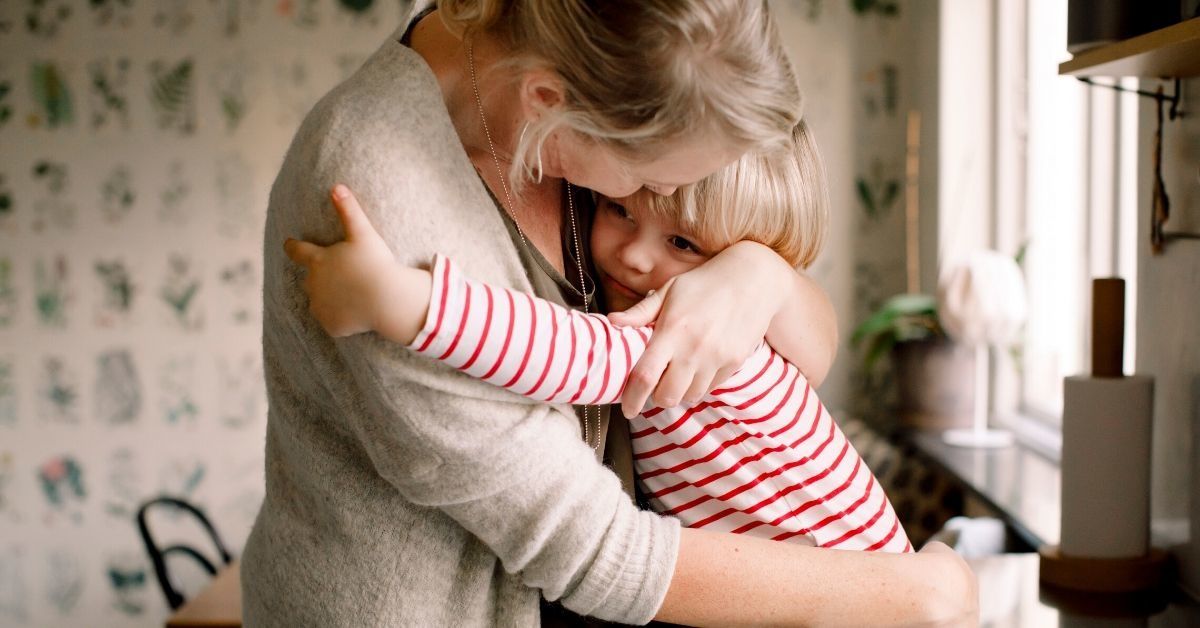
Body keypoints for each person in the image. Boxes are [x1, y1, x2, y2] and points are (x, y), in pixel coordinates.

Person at [243, 0, 977, 625]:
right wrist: (909, 592)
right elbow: (591, 546)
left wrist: (758, 276)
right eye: (651, 181)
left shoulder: (585, 124)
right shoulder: (378, 191)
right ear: (548, 103)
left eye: (690, 236)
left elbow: (811, 353)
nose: (649, 220)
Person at [286, 122, 914, 554]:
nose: (633, 255)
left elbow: (557, 349)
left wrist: (397, 300)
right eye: (620, 210)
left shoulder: (701, 340)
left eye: (683, 244)